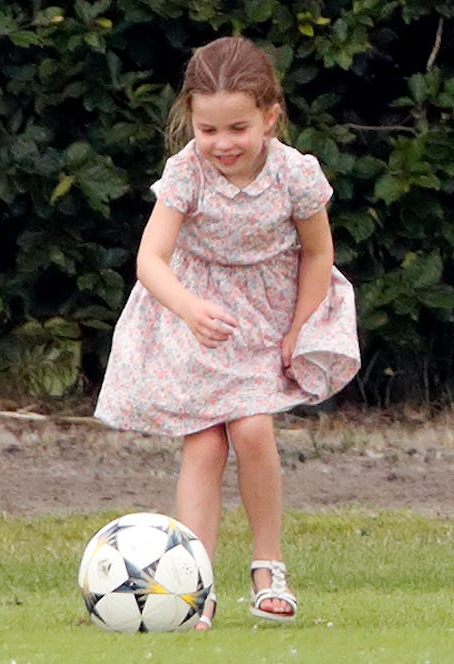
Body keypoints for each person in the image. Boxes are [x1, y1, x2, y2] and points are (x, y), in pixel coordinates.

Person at [94, 35, 360, 629]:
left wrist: (301, 326)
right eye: (207, 130)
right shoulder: (186, 173)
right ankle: (195, 584)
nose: (222, 144)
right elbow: (150, 260)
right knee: (205, 442)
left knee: (254, 428)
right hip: (198, 320)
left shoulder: (296, 175)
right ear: (190, 119)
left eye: (237, 128)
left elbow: (318, 254)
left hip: (266, 318)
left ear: (270, 116)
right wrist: (188, 310)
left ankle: (269, 566)